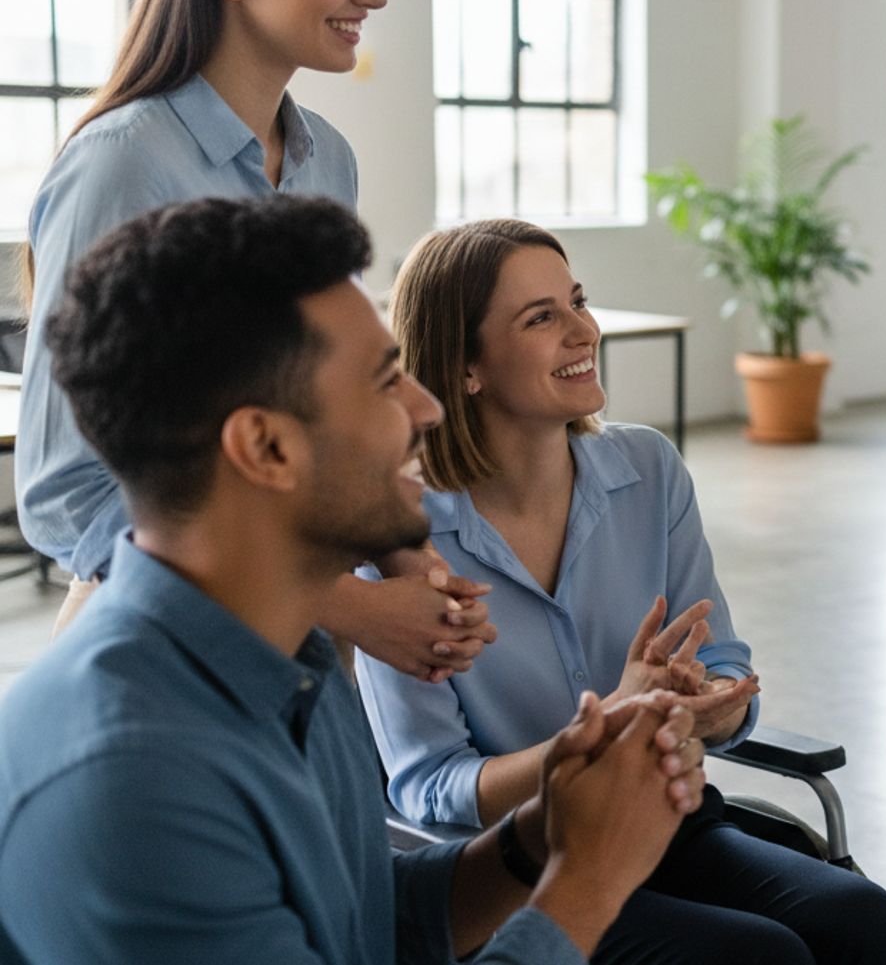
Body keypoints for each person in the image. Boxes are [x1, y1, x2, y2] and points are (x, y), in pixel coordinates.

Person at [0, 194, 713, 964]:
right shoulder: (135, 782)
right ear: (266, 447)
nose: (428, 407)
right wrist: (589, 881)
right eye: (384, 382)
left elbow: (366, 923)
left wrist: (539, 837)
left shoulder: (294, 658)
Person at [357, 219, 886, 964]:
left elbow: (724, 664)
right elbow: (431, 782)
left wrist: (710, 708)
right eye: (541, 317)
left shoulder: (648, 470)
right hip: (512, 868)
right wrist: (601, 732)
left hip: (666, 818)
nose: (583, 329)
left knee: (864, 920)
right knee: (756, 957)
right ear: (467, 367)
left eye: (577, 301)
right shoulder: (399, 531)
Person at [16, 0, 494, 678]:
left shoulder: (326, 161)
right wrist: (350, 604)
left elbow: (325, 417)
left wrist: (401, 551)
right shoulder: (124, 166)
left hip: (299, 647)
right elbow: (67, 494)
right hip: (161, 659)